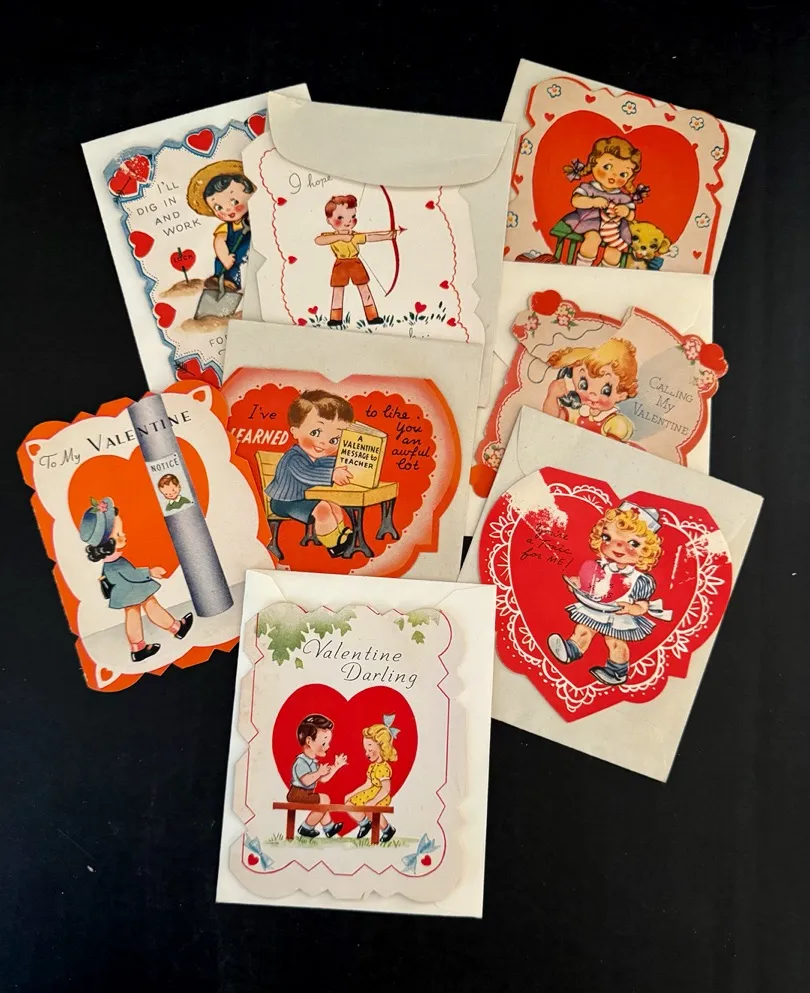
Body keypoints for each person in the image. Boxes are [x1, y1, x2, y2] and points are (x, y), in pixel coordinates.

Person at [547, 502, 671, 686]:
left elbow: (644, 604)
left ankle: (616, 672)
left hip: (620, 615)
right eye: (608, 537)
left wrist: (633, 608)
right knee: (583, 629)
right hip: (595, 607)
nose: (618, 546)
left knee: (614, 641)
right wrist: (576, 584)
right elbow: (589, 585)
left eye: (633, 543)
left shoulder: (640, 579)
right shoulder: (597, 566)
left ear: (646, 551)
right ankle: (571, 650)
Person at [81, 497, 192, 663]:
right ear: (109, 544)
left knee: (133, 613)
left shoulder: (110, 563)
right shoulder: (117, 564)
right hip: (132, 589)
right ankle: (176, 628)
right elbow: (132, 575)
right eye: (119, 534)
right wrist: (150, 571)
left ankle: (138, 648)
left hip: (125, 592)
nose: (124, 535)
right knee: (151, 605)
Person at [267, 390, 355, 557]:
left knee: (334, 506)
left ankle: (340, 535)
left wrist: (346, 465)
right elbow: (307, 473)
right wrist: (332, 475)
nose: (323, 443)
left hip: (302, 499)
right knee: (323, 510)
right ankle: (334, 546)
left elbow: (328, 463)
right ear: (295, 431)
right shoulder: (294, 458)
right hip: (284, 502)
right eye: (315, 433)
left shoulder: (317, 457)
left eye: (334, 440)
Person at [557, 137, 644, 267]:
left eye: (623, 174)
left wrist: (625, 211)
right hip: (590, 223)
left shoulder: (624, 197)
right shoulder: (589, 188)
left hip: (614, 229)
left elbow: (631, 215)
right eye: (607, 167)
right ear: (594, 162)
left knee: (615, 252)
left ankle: (605, 272)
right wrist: (592, 201)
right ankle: (582, 268)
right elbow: (576, 201)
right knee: (593, 239)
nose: (614, 176)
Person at [314, 194, 398, 327]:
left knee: (364, 288)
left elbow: (369, 237)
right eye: (340, 218)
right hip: (340, 264)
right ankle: (335, 318)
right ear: (329, 220)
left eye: (352, 217)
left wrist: (387, 236)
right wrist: (340, 237)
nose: (348, 222)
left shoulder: (354, 236)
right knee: (338, 290)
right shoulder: (331, 236)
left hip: (355, 263)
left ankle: (372, 316)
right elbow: (319, 240)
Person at [542, 338, 637, 441]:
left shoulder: (616, 424)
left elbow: (607, 448)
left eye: (606, 391)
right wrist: (552, 396)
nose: (592, 395)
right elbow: (550, 420)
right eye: (583, 385)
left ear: (621, 395)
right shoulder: (575, 412)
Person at [186, 159, 256, 290]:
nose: (227, 209)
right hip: (231, 258)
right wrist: (225, 258)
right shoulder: (226, 228)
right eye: (218, 207)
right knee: (229, 263)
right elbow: (219, 241)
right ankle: (222, 280)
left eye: (234, 202)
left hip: (251, 256)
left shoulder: (255, 219)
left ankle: (232, 282)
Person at [288, 714, 347, 839]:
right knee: (324, 799)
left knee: (322, 803)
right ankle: (306, 827)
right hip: (297, 793)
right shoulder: (301, 761)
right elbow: (305, 781)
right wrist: (319, 773)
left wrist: (336, 766)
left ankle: (329, 828)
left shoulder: (313, 762)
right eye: (324, 742)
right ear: (309, 741)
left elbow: (323, 779)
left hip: (307, 793)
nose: (328, 746)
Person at [344, 719, 398, 843]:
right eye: (365, 750)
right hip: (369, 792)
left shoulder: (384, 768)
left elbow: (386, 789)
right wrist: (352, 793)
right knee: (349, 803)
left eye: (370, 750)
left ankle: (387, 829)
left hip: (380, 795)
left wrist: (374, 801)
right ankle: (364, 823)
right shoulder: (372, 767)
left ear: (381, 748)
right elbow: (367, 784)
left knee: (370, 808)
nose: (366, 753)